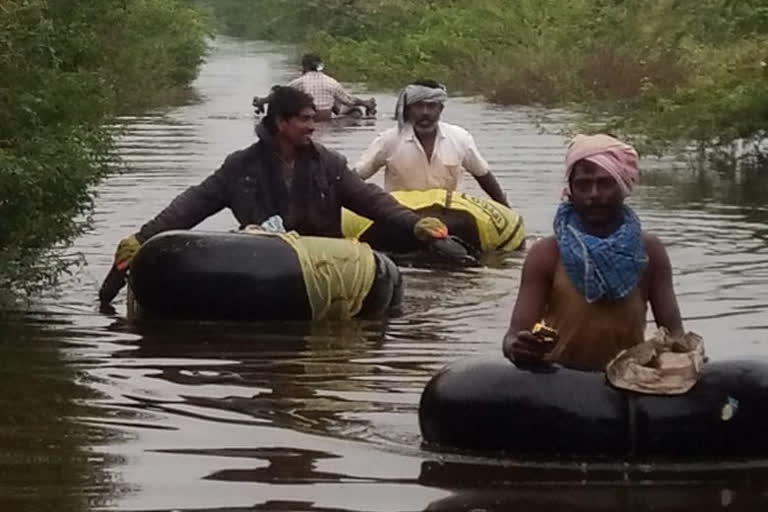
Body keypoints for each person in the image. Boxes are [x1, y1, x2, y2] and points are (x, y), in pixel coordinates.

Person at [99, 86, 449, 304]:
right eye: (305, 120)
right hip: (264, 270)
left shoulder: (328, 164)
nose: (313, 126)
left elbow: (372, 200)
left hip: (326, 267)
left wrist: (416, 224)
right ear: (281, 123)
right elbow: (192, 205)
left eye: (313, 118)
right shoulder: (241, 167)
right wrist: (142, 238)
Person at [502, 134, 684, 371]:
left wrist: (686, 358)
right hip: (560, 383)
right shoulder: (547, 254)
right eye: (584, 184)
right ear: (571, 190)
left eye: (605, 183)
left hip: (627, 381)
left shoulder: (649, 252)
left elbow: (674, 335)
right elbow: (513, 337)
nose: (594, 194)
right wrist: (520, 347)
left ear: (623, 185)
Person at [353, 80, 509, 207]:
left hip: (449, 216)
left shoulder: (460, 138)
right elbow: (355, 177)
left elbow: (483, 176)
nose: (425, 112)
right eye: (419, 106)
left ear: (440, 109)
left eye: (431, 106)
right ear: (409, 109)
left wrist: (506, 209)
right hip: (401, 217)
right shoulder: (389, 140)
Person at [286, 54, 375, 121]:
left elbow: (279, 95)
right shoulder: (331, 82)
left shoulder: (299, 82)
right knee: (356, 111)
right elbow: (349, 100)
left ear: (304, 67)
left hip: (308, 119)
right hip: (326, 119)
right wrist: (364, 103)